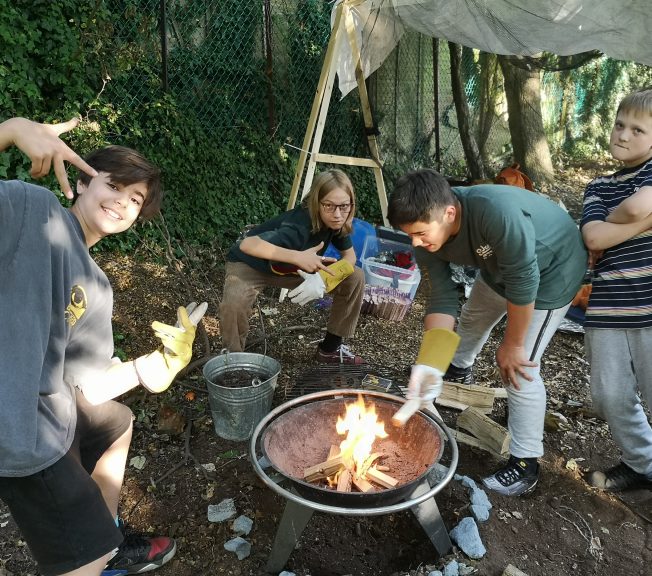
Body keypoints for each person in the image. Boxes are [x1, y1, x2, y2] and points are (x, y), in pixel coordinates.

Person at [0, 116, 206, 576]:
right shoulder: (32, 210)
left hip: (44, 407)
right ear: (79, 182)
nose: (122, 202)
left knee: (116, 422)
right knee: (82, 558)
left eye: (135, 200)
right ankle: (95, 554)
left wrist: (150, 366)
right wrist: (9, 131)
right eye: (114, 185)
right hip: (16, 425)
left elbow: (91, 385)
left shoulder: (97, 285)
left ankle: (107, 542)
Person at [387, 169, 587, 497]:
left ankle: (526, 462)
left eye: (420, 234)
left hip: (554, 270)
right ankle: (457, 370)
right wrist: (430, 365)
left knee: (519, 366)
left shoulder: (493, 214)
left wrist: (512, 344)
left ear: (449, 214)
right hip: (502, 267)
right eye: (410, 235)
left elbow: (525, 280)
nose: (415, 243)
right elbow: (443, 295)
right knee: (473, 318)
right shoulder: (425, 230)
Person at [580, 87, 652, 492]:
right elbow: (593, 237)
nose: (623, 135)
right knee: (608, 396)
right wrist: (642, 223)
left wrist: (619, 224)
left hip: (649, 305)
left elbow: (638, 206)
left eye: (637, 130)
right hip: (607, 308)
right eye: (620, 124)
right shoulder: (599, 185)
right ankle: (642, 463)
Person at [220, 168, 365, 364]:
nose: (338, 214)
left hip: (291, 268)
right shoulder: (299, 225)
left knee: (355, 277)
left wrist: (324, 280)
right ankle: (234, 360)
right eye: (329, 205)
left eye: (344, 206)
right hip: (250, 265)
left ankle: (329, 350)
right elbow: (247, 244)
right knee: (235, 299)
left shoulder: (337, 221)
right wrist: (296, 256)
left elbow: (350, 258)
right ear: (316, 202)